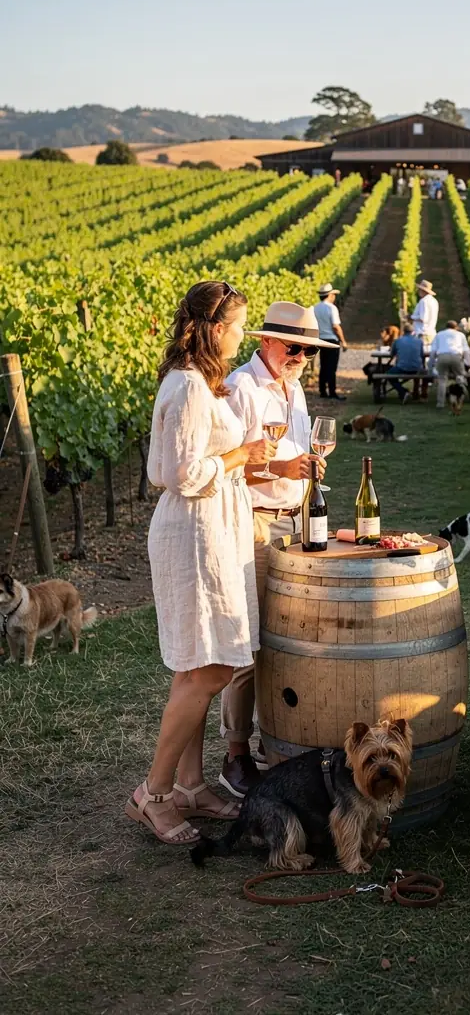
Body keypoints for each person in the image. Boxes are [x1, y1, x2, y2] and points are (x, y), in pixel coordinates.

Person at [126, 281, 277, 845]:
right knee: (210, 668)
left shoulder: (195, 383)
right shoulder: (189, 387)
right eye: (238, 325)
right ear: (215, 328)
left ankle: (190, 784)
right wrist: (242, 455)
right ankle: (155, 793)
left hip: (211, 529)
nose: (242, 336)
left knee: (196, 663)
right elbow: (181, 474)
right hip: (196, 535)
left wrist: (244, 464)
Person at [218, 302, 332, 797]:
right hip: (255, 525)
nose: (302, 355)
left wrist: (306, 469)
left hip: (295, 523)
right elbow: (223, 466)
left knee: (284, 638)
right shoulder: (241, 388)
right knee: (245, 644)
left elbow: (293, 456)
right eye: (293, 347)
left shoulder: (294, 388)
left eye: (308, 349)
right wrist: (280, 472)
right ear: (265, 341)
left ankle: (273, 738)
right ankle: (235, 754)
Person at [312, 281, 348, 402]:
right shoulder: (332, 308)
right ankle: (332, 391)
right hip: (332, 340)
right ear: (329, 295)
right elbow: (336, 326)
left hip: (320, 340)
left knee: (323, 365)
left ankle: (322, 391)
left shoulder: (315, 308)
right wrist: (343, 341)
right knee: (332, 367)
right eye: (333, 294)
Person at [429, 320, 470, 409]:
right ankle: (461, 398)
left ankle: (440, 403)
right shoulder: (460, 335)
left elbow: (433, 351)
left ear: (446, 326)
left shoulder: (439, 334)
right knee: (460, 376)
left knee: (442, 380)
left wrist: (431, 363)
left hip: (442, 357)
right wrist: (467, 363)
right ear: (456, 327)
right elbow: (466, 351)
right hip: (456, 356)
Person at [387, 323, 424, 404]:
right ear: (413, 332)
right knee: (423, 372)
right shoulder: (419, 341)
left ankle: (403, 391)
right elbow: (422, 355)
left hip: (402, 368)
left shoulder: (398, 341)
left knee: (389, 374)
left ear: (403, 331)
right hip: (417, 368)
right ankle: (418, 394)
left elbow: (391, 354)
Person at [411, 279, 439, 346]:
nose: (418, 291)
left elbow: (423, 318)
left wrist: (411, 317)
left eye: (420, 289)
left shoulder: (424, 301)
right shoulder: (434, 301)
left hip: (423, 334)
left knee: (422, 354)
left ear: (423, 291)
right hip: (431, 333)